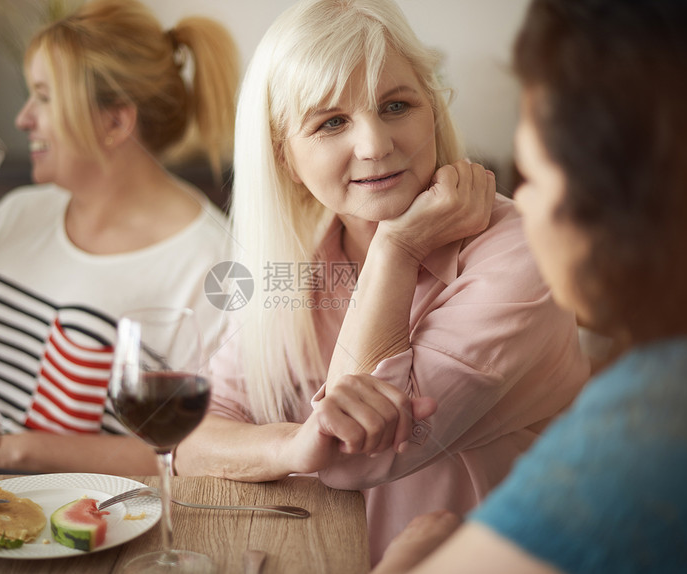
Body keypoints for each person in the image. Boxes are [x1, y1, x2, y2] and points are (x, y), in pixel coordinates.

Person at [176, 0, 589, 563]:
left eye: (396, 105)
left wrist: (396, 248)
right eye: (331, 122)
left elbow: (356, 459)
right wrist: (295, 445)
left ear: (433, 113)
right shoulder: (296, 262)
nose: (374, 144)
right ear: (286, 157)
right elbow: (193, 434)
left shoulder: (520, 254)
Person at [371, 0, 687, 572]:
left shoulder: (661, 418)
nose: (522, 202)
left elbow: (362, 454)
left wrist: (405, 565)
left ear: (613, 199)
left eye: (533, 175)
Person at [0, 0, 239, 475]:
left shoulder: (214, 265)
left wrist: (10, 450)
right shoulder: (19, 212)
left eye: (43, 96)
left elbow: (197, 447)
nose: (23, 118)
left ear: (114, 122)